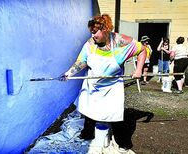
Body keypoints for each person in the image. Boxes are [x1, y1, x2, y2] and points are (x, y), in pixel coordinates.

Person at [60, 14, 146, 153]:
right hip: (93, 83)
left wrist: (139, 69)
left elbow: (143, 50)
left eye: (95, 32)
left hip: (112, 86)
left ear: (105, 29)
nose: (92, 36)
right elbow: (81, 61)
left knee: (115, 114)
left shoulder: (122, 42)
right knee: (89, 110)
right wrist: (69, 73)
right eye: (91, 32)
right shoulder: (90, 45)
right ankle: (88, 133)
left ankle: (122, 141)